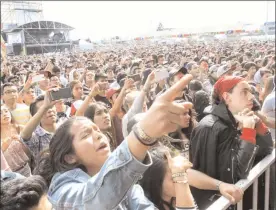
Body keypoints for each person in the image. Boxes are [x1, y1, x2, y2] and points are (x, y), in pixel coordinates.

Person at [36, 74, 199, 209]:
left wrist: (180, 178)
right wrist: (143, 134)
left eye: (97, 130)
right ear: (70, 157)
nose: (99, 135)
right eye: (86, 135)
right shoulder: (62, 187)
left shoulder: (125, 183)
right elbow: (93, 201)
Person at [190, 76, 273, 209]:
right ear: (227, 97)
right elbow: (238, 174)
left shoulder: (238, 119)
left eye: (251, 92)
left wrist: (258, 124)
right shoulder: (209, 127)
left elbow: (267, 149)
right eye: (244, 92)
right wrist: (248, 133)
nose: (252, 96)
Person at [139, 147, 243, 210]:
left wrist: (220, 185)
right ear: (156, 182)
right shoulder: (144, 206)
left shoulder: (174, 194)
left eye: (182, 173)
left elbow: (190, 175)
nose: (184, 182)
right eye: (175, 176)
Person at [20, 93, 60, 158]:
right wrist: (44, 107)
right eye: (45, 109)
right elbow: (24, 135)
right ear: (36, 115)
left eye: (51, 107)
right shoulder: (35, 135)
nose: (50, 110)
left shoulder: (65, 127)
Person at [1, 104, 33, 177]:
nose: (4, 114)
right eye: (0, 113)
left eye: (6, 111)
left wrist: (22, 141)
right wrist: (3, 148)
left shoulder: (20, 128)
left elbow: (33, 149)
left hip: (27, 169)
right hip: (9, 174)